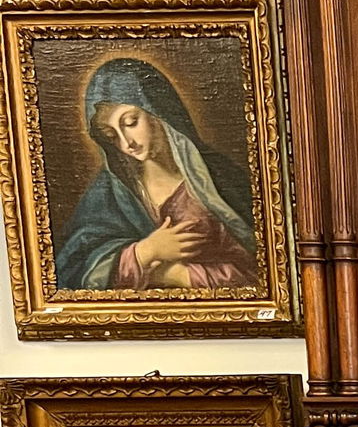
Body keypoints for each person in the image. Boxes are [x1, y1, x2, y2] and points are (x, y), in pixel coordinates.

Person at [53, 57, 258, 291]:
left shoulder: (220, 180)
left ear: (158, 111)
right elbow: (73, 274)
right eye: (111, 135)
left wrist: (177, 275)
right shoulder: (110, 192)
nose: (126, 143)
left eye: (130, 122)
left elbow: (257, 272)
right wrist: (145, 252)